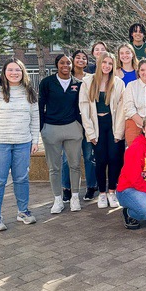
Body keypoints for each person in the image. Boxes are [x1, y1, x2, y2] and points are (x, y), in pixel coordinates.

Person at [0, 58, 39, 231]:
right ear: (4, 72)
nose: (14, 73)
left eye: (17, 70)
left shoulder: (29, 91)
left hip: (22, 142)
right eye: (10, 70)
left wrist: (35, 140)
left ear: (23, 72)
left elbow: (35, 118)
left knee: (21, 178)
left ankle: (23, 211)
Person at [79, 52, 126, 209]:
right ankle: (102, 193)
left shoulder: (118, 83)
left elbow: (121, 109)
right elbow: (84, 107)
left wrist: (118, 132)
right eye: (104, 62)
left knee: (114, 159)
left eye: (110, 63)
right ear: (99, 64)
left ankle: (112, 191)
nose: (107, 66)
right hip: (96, 124)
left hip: (112, 124)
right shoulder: (88, 82)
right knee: (100, 161)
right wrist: (90, 133)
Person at [39, 54, 83, 214]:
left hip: (72, 127)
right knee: (54, 167)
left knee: (75, 165)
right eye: (62, 63)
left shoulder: (78, 84)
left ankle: (75, 197)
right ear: (57, 65)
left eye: (68, 62)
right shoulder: (47, 83)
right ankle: (58, 199)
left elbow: (81, 106)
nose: (65, 65)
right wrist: (42, 127)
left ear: (72, 65)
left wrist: (80, 126)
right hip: (51, 128)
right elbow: (40, 105)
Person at [61, 50, 97, 202]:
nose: (81, 60)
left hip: (87, 122)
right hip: (70, 123)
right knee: (67, 158)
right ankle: (67, 188)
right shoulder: (66, 78)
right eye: (78, 57)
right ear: (72, 60)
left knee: (89, 156)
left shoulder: (91, 78)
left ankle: (91, 187)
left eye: (84, 58)